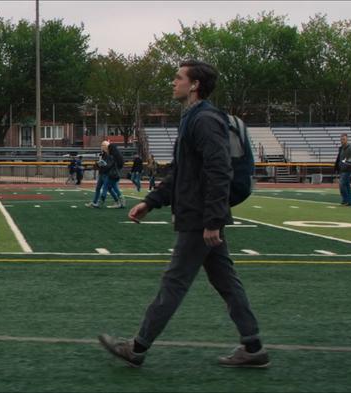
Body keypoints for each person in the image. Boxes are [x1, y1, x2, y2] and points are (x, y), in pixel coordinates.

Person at [99, 59, 268, 368]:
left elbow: (219, 171)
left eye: (178, 78)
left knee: (174, 283)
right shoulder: (191, 119)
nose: (172, 83)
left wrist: (213, 220)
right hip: (199, 214)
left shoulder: (204, 120)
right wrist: (151, 202)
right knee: (227, 282)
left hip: (199, 217)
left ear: (194, 85)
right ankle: (253, 347)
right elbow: (181, 174)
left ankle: (137, 347)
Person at [334, 133, 351, 206]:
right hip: (342, 170)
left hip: (347, 170)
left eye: (343, 139)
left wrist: (345, 164)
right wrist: (337, 167)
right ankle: (350, 201)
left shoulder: (350, 148)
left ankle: (346, 200)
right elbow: (339, 159)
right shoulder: (341, 148)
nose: (342, 141)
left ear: (347, 139)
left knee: (342, 184)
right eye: (341, 139)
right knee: (346, 185)